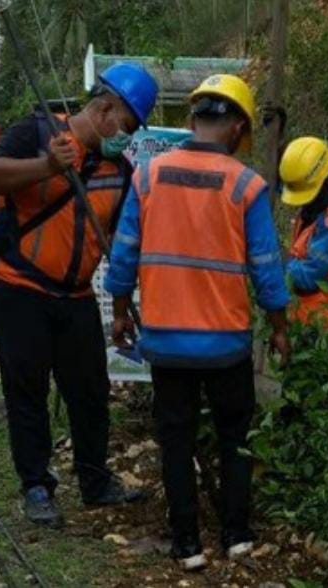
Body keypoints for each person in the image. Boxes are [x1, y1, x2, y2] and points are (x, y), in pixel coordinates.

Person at [104, 74, 291, 571]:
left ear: (192, 121)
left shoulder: (148, 177)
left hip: (165, 342)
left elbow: (123, 254)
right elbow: (267, 266)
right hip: (225, 344)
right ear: (235, 128)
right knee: (234, 436)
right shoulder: (247, 185)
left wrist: (121, 312)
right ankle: (237, 533)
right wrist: (279, 326)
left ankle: (187, 543)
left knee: (176, 440)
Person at [0, 62, 159, 527]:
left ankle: (95, 481)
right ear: (104, 109)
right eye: (129, 125)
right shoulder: (38, 133)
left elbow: (121, 243)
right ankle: (37, 486)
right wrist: (47, 165)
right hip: (18, 292)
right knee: (27, 394)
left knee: (90, 392)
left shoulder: (119, 170)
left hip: (76, 298)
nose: (129, 136)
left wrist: (121, 309)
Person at [279, 136, 328, 329]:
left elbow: (308, 278)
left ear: (324, 181)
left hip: (324, 326)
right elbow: (285, 185)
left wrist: (277, 258)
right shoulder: (315, 208)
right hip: (303, 317)